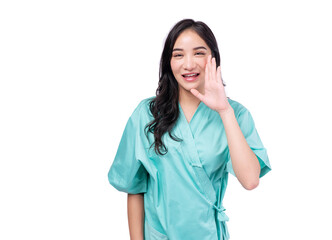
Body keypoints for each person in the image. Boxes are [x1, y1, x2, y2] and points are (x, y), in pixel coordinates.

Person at [108, 19, 271, 240]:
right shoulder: (146, 114)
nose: (188, 64)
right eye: (178, 55)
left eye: (198, 53)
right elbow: (135, 187)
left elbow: (251, 180)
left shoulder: (236, 114)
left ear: (213, 59)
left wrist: (224, 111)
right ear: (168, 62)